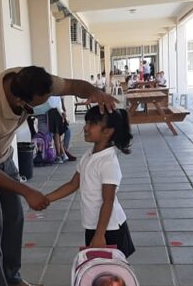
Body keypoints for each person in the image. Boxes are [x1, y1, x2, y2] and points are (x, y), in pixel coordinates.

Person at [0, 66, 117, 286]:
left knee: (14, 217)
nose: (47, 102)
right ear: (22, 102)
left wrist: (97, 92)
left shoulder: (36, 81)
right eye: (40, 102)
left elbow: (75, 86)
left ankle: (12, 278)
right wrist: (27, 190)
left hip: (1, 153)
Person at [45, 105, 135, 257]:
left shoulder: (108, 162)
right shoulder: (89, 155)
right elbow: (73, 184)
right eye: (86, 122)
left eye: (92, 124)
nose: (85, 127)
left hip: (109, 229)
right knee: (97, 268)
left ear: (108, 131)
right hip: (94, 226)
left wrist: (99, 235)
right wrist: (47, 199)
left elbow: (108, 201)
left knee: (111, 270)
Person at [46, 95, 67, 164]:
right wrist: (62, 114)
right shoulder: (57, 95)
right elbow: (59, 106)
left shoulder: (49, 96)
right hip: (58, 114)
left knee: (56, 137)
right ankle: (63, 154)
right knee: (58, 137)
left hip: (51, 114)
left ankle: (59, 155)